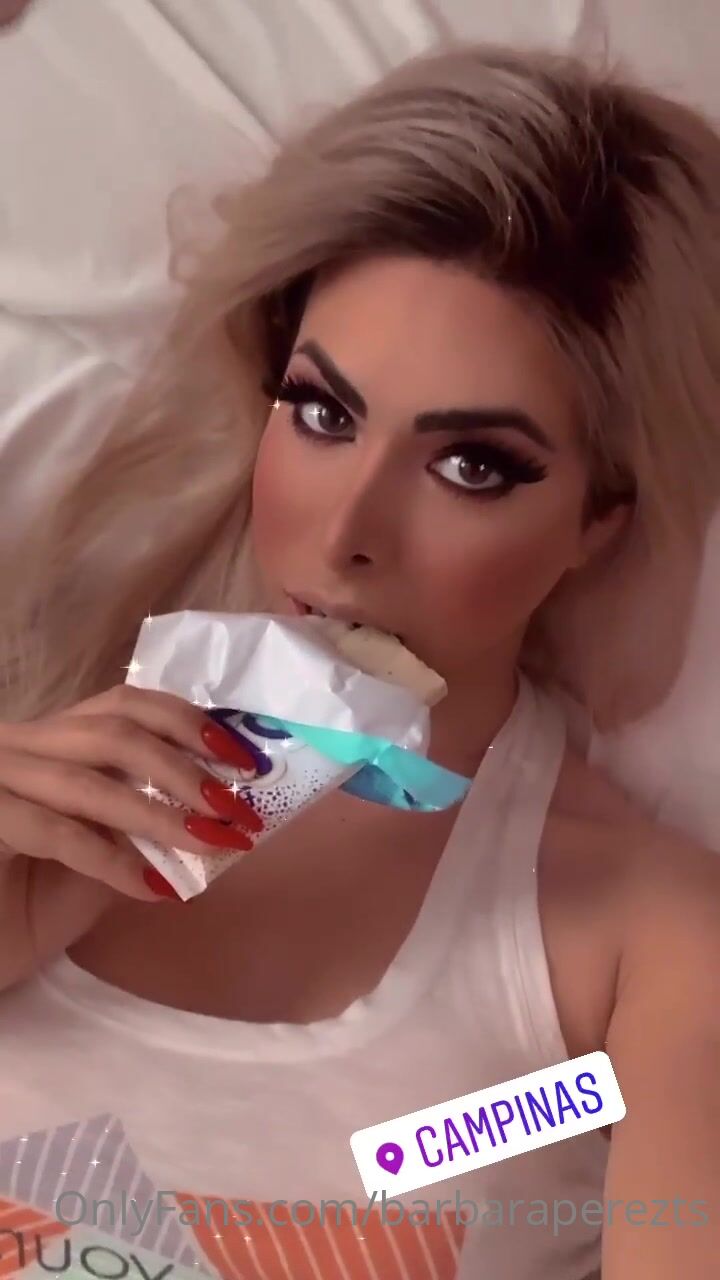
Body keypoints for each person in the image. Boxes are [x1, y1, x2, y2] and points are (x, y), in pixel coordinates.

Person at [0, 41, 719, 1280]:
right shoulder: (35, 756)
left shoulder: (640, 957)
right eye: (324, 412)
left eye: (473, 464)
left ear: (600, 518)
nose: (345, 535)